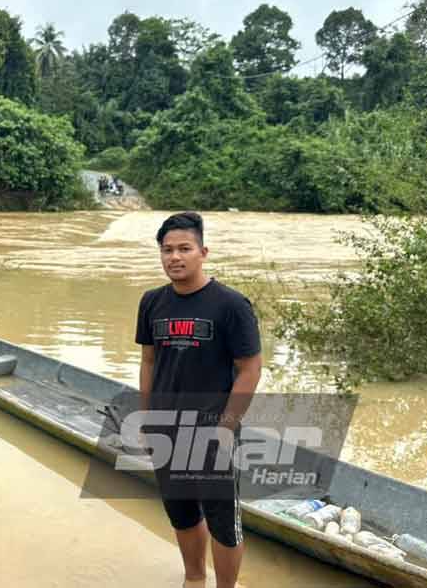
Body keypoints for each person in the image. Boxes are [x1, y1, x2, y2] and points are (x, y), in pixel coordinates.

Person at [134, 212, 262, 588]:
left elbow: (250, 370)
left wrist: (225, 429)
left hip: (212, 430)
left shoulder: (231, 305)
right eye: (167, 250)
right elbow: (148, 361)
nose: (175, 257)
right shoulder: (151, 302)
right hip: (166, 429)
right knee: (182, 513)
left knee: (224, 522)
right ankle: (194, 578)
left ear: (203, 252)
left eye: (184, 248)